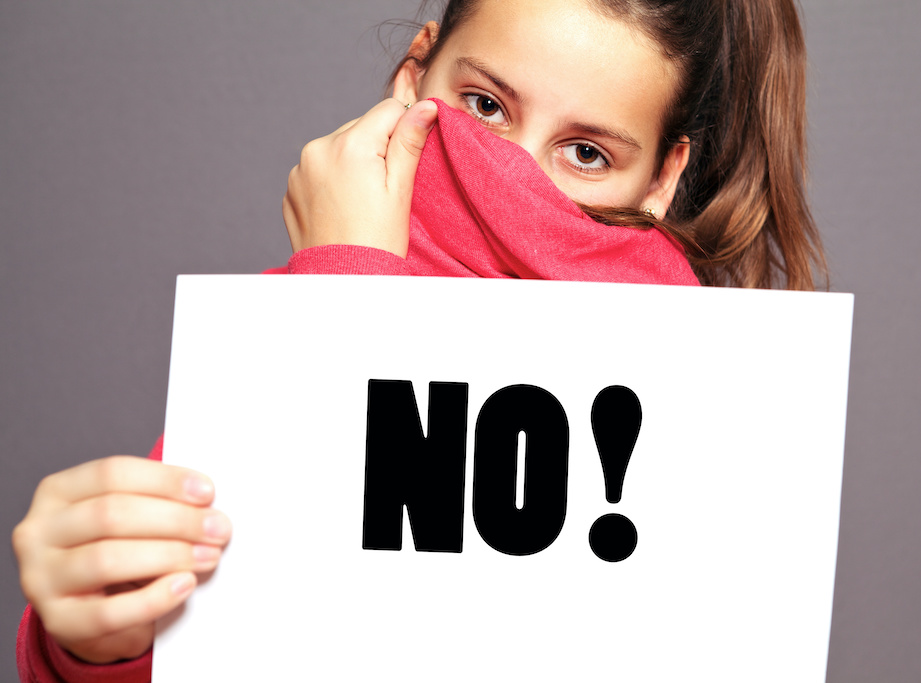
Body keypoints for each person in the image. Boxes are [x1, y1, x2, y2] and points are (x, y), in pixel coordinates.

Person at [12, 0, 825, 680]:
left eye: (585, 153)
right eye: (485, 106)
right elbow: (234, 636)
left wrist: (346, 292)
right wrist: (91, 636)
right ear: (415, 72)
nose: (503, 178)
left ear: (661, 178)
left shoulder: (707, 416)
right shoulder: (270, 338)